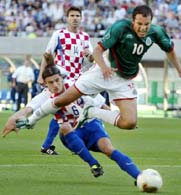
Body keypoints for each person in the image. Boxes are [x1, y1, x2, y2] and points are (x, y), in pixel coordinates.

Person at [11, 5, 181, 131]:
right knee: (63, 99)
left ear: (151, 22)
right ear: (133, 21)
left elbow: (170, 49)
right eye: (139, 24)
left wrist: (180, 70)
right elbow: (98, 51)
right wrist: (104, 68)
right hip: (102, 71)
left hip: (124, 79)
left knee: (129, 123)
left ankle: (92, 112)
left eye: (146, 24)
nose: (142, 28)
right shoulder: (120, 28)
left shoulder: (156, 32)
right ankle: (31, 121)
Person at [2, 66, 141, 181]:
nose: (55, 85)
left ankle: (139, 177)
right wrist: (13, 118)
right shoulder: (44, 97)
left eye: (57, 80)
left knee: (108, 149)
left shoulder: (78, 86)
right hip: (71, 133)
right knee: (64, 126)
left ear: (62, 78)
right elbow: (27, 110)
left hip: (92, 125)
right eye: (51, 82)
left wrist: (123, 119)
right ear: (45, 84)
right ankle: (94, 164)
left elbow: (102, 104)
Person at [38, 6, 94, 155]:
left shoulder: (85, 37)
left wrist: (90, 55)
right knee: (64, 111)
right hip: (62, 78)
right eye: (72, 15)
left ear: (81, 18)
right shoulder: (59, 34)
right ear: (67, 18)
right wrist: (41, 75)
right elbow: (47, 54)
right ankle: (66, 144)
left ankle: (51, 145)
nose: (75, 18)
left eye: (77, 15)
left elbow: (91, 60)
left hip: (77, 80)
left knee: (66, 113)